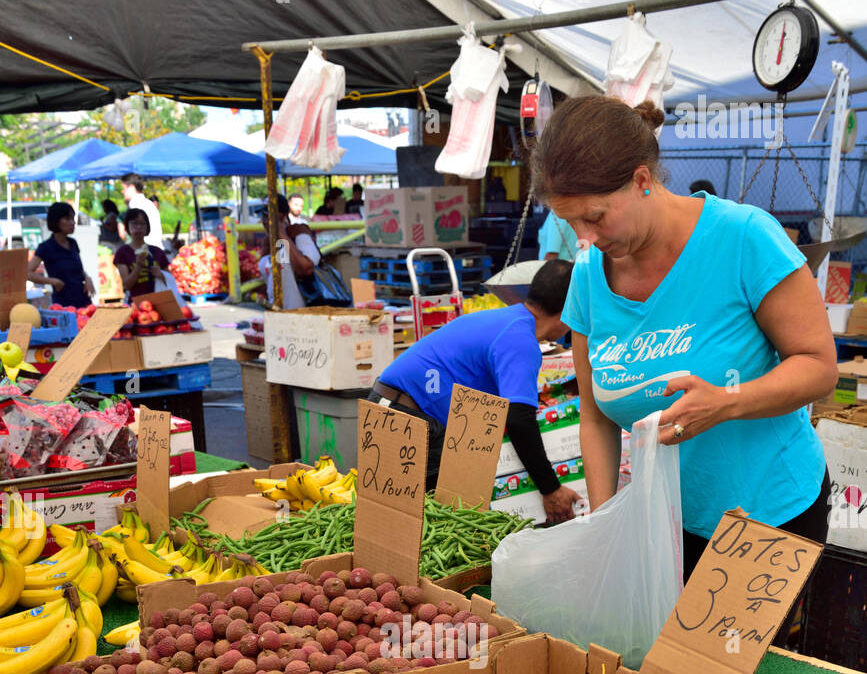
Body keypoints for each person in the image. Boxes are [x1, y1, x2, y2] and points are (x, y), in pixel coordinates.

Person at [532, 96, 838, 580]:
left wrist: (728, 401)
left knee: (731, 656)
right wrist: (606, 523)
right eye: (570, 222)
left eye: (594, 216)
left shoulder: (743, 238)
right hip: (665, 523)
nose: (584, 237)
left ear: (640, 181)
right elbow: (594, 417)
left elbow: (819, 368)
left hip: (766, 517)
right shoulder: (590, 276)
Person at [370, 259, 578, 518]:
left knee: (400, 520)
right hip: (408, 415)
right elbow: (520, 421)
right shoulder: (521, 340)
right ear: (571, 308)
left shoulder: (508, 319)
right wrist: (551, 490)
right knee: (433, 523)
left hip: (392, 404)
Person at [257, 194, 320, 308]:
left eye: (270, 214)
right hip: (278, 311)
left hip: (302, 310)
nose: (266, 220)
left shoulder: (298, 232)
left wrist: (282, 234)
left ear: (283, 216)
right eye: (264, 215)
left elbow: (306, 268)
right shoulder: (268, 241)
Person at [27, 202, 94, 307]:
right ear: (56, 221)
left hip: (84, 301)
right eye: (67, 219)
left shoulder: (73, 243)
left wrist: (87, 278)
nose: (72, 223)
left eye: (73, 218)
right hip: (63, 305)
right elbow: (27, 273)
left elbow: (77, 269)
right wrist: (52, 281)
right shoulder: (46, 247)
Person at [113, 208, 171, 299]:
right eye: (134, 223)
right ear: (127, 226)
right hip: (136, 303)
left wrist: (160, 275)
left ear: (147, 227)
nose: (138, 227)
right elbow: (126, 286)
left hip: (159, 302)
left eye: (142, 223)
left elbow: (171, 281)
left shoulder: (157, 252)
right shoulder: (122, 252)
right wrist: (138, 266)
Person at [120, 175, 163, 247]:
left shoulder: (135, 204)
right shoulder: (147, 203)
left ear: (131, 188)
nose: (122, 192)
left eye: (124, 189)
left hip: (145, 250)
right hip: (152, 248)